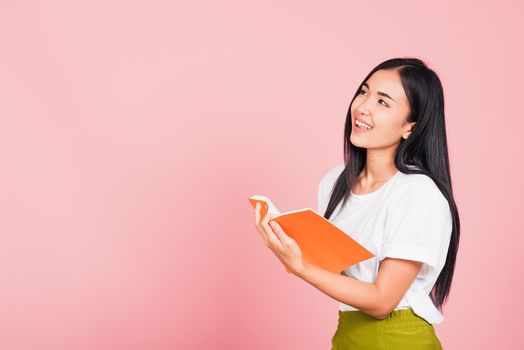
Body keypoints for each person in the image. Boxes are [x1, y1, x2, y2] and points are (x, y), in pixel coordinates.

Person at [254, 57, 460, 349]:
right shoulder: (335, 182)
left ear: (410, 128)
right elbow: (338, 273)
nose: (363, 107)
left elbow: (382, 301)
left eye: (383, 102)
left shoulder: (418, 194)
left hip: (399, 339)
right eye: (364, 92)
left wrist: (298, 265)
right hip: (347, 335)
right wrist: (288, 242)